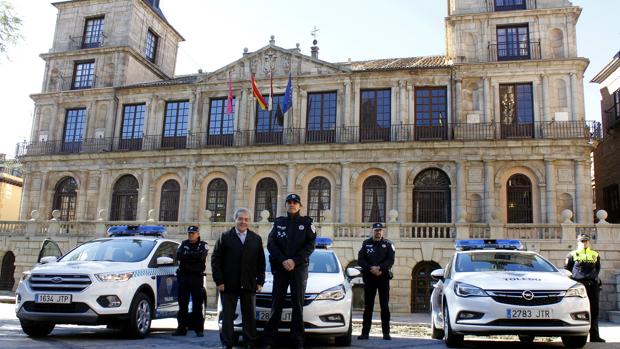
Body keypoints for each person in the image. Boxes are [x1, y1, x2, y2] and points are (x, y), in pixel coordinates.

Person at [262, 193, 316, 349]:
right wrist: (283, 260)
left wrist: (295, 260)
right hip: (281, 268)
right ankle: (269, 340)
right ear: (285, 205)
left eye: (295, 202)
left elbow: (310, 245)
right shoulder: (278, 223)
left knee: (297, 305)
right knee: (276, 304)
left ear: (300, 206)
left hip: (298, 269)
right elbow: (271, 244)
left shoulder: (306, 223)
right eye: (289, 202)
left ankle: (297, 340)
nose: (292, 204)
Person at [212, 208, 266, 349]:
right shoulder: (224, 237)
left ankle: (250, 342)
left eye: (246, 219)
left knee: (249, 316)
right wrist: (219, 281)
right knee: (228, 316)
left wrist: (260, 281)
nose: (243, 222)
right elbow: (215, 260)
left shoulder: (256, 239)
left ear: (249, 221)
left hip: (249, 283)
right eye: (240, 219)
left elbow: (261, 263)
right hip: (228, 284)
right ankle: (227, 343)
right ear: (235, 220)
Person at [565, 233, 606, 343]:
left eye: (586, 241)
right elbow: (568, 270)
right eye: (582, 241)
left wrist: (592, 279)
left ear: (589, 242)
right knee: (576, 310)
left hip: (592, 286)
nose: (584, 243)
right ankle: (574, 337)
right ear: (577, 242)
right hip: (579, 286)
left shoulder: (595, 254)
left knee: (594, 311)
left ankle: (594, 336)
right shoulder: (572, 254)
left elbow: (597, 269)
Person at [357, 222, 395, 340]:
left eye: (379, 230)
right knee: (368, 306)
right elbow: (360, 260)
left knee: (384, 306)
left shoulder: (388, 244)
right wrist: (370, 268)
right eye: (375, 230)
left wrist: (379, 268)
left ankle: (386, 333)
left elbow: (390, 260)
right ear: (372, 231)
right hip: (369, 278)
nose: (377, 232)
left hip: (383, 278)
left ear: (382, 232)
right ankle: (365, 333)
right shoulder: (365, 244)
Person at [173, 225, 208, 337]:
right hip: (184, 278)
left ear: (198, 234)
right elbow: (179, 256)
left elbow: (201, 257)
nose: (191, 235)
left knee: (198, 304)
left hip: (196, 278)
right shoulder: (183, 244)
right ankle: (181, 328)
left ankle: (199, 329)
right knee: (182, 304)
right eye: (189, 233)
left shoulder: (203, 245)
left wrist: (187, 256)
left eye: (193, 233)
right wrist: (193, 256)